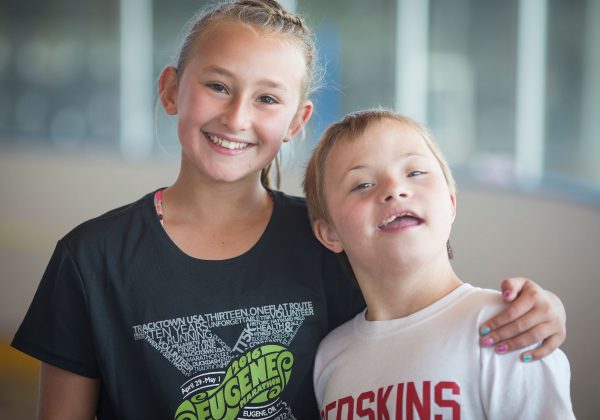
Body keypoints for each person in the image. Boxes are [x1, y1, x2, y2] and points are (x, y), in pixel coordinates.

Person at [11, 1, 566, 419]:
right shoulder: (91, 259)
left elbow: (426, 315)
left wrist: (536, 312)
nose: (235, 118)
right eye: (217, 85)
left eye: (267, 98)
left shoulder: (333, 239)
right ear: (171, 90)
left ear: (296, 122)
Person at [304, 109, 575, 418]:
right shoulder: (330, 358)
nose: (395, 189)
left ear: (450, 203)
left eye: (415, 173)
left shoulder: (510, 326)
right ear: (330, 233)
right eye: (362, 184)